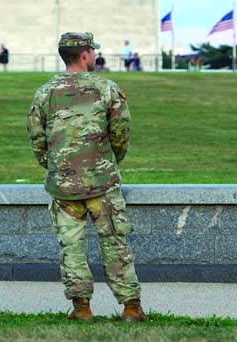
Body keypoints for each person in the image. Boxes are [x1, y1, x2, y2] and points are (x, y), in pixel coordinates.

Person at [27, 32, 147, 324]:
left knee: (71, 248)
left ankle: (82, 308)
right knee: (116, 243)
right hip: (102, 182)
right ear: (84, 54)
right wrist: (108, 162)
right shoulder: (107, 88)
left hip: (63, 185)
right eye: (93, 51)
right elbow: (121, 133)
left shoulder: (45, 92)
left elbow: (37, 140)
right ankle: (131, 308)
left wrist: (57, 166)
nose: (95, 55)